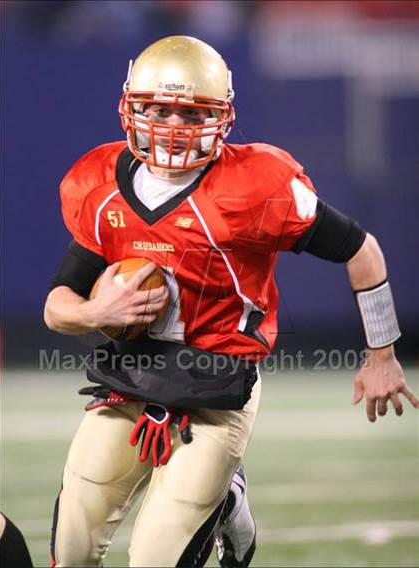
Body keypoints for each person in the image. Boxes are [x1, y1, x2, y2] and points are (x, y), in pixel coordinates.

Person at [44, 36, 418, 567]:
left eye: (190, 112)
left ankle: (226, 500)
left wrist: (381, 353)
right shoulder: (99, 184)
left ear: (220, 117)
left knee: (154, 559)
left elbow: (363, 250)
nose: (171, 125)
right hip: (131, 377)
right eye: (157, 109)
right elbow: (57, 305)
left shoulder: (256, 185)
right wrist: (95, 314)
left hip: (218, 385)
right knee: (71, 549)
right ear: (130, 107)